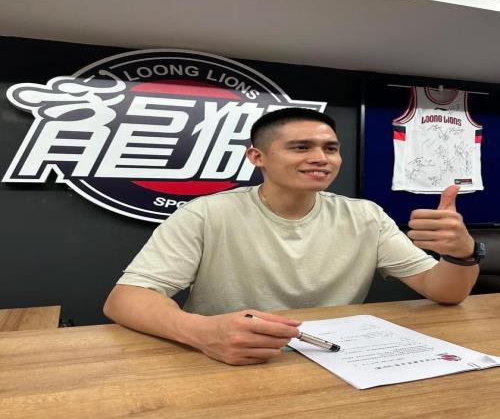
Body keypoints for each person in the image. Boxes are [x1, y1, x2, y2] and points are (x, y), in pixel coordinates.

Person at [104, 107, 480, 365]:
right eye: (301, 147)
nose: (321, 158)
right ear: (257, 157)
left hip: (335, 357)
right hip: (228, 358)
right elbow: (125, 299)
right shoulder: (207, 212)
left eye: (330, 149)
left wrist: (460, 254)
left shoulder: (365, 215)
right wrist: (202, 332)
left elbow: (445, 292)